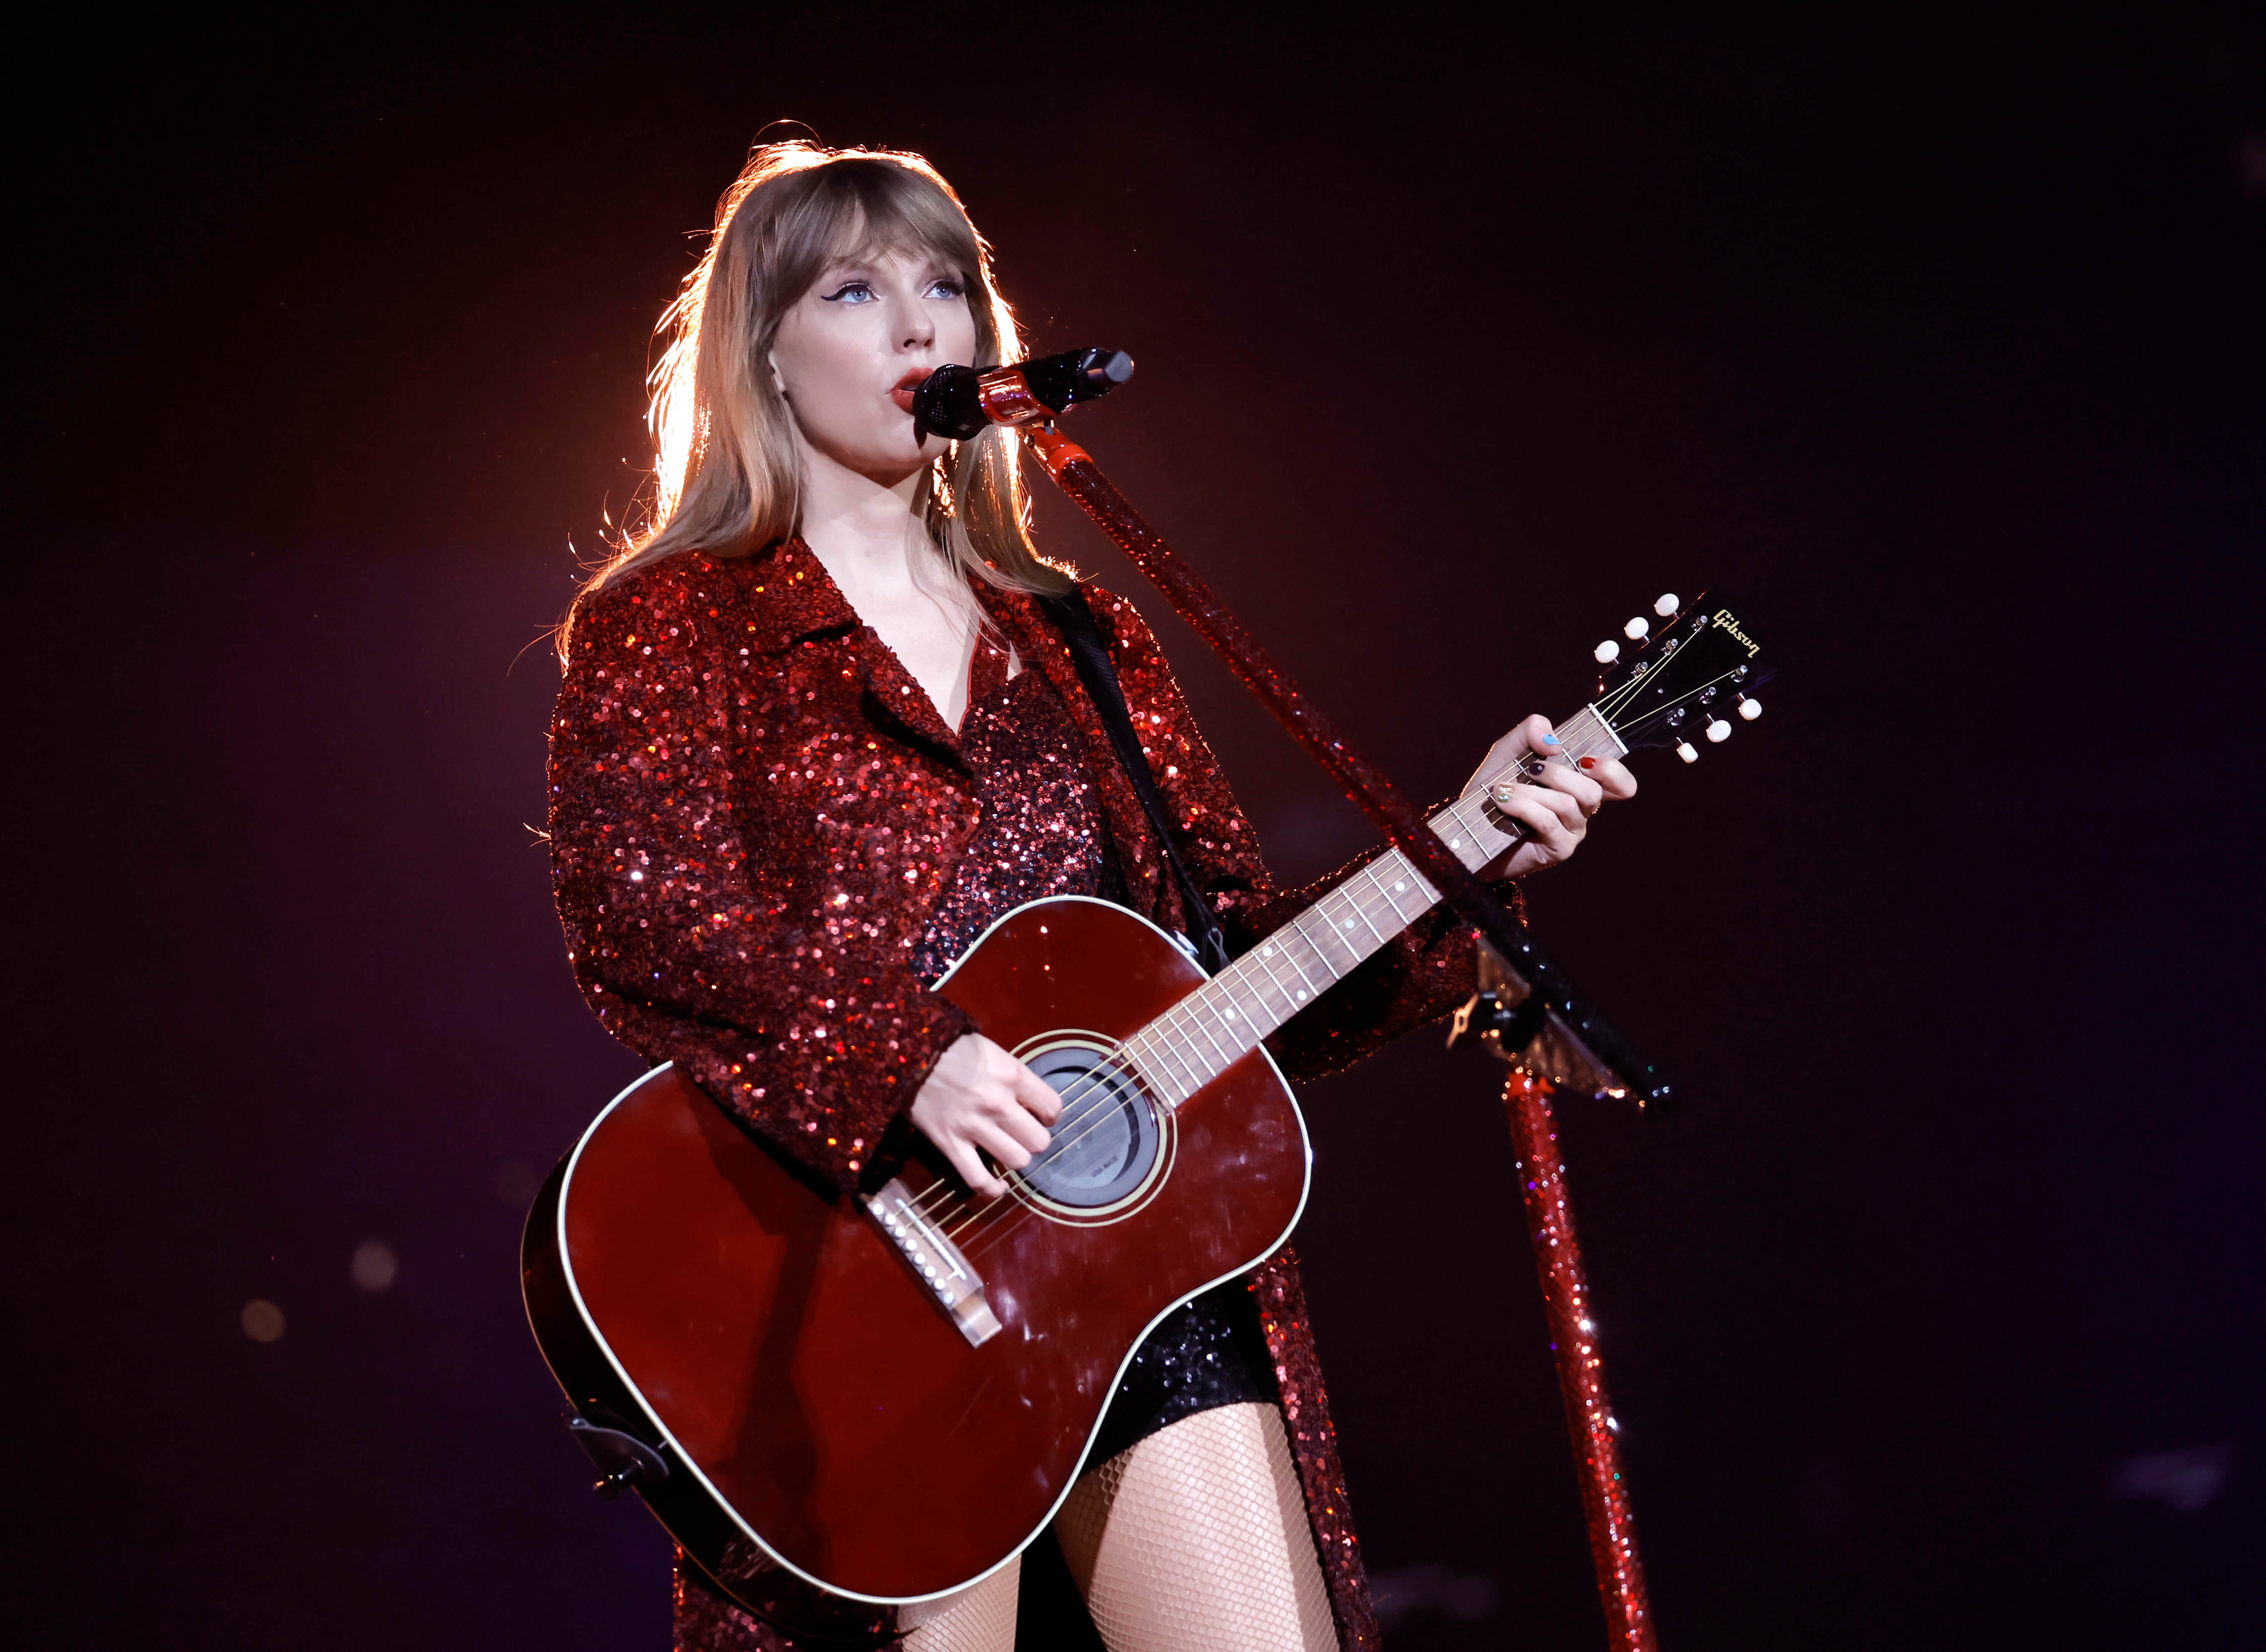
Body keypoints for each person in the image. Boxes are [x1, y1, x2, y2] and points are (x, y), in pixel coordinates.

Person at [546, 141, 1635, 1652]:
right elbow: (645, 917)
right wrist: (906, 1056)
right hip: (862, 1276)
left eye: (948, 285)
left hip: (1131, 1279)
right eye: (859, 289)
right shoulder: (675, 623)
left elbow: (1235, 974)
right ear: (767, 354)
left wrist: (1456, 865)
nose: (924, 325)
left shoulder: (1083, 640)